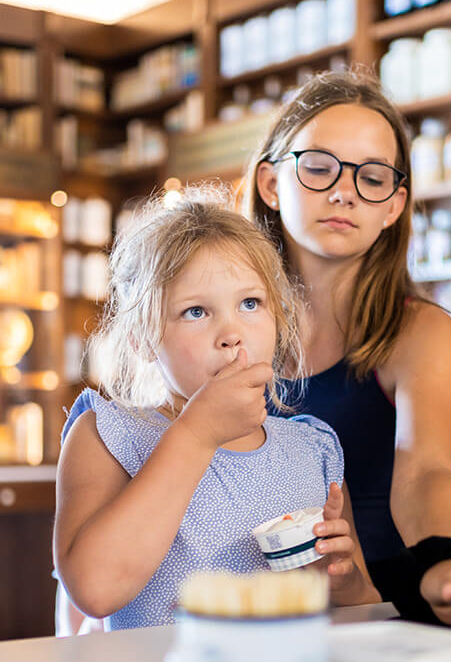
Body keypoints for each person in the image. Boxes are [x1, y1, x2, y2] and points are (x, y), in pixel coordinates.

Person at [245, 68, 451, 625]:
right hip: (244, 600)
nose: (345, 191)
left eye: (372, 177)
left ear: (394, 205)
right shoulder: (230, 327)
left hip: (380, 605)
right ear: (271, 184)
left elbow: (425, 473)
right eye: (319, 167)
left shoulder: (420, 333)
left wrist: (446, 564)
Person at [54, 188, 374, 631]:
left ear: (278, 321)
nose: (231, 333)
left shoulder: (313, 449)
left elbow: (363, 609)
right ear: (142, 338)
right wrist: (197, 434)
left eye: (250, 304)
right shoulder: (108, 436)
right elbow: (94, 590)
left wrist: (347, 581)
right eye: (196, 311)